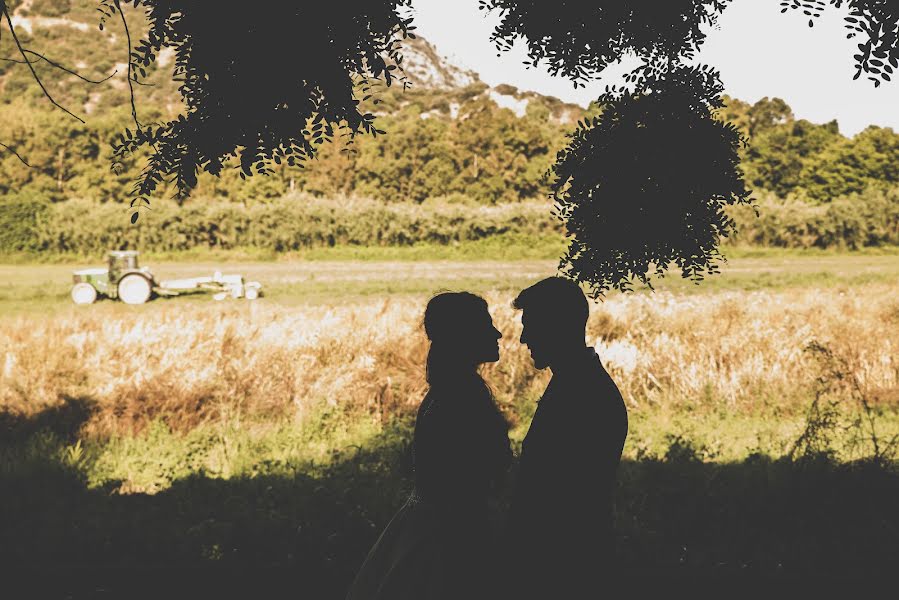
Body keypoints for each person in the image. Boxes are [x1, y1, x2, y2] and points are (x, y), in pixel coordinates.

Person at [346, 292, 512, 600]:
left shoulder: (448, 391)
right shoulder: (462, 397)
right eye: (487, 326)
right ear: (465, 337)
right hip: (453, 536)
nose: (497, 333)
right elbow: (467, 477)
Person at [506, 277, 628, 599]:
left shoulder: (585, 392)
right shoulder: (576, 382)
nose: (523, 338)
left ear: (557, 326)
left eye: (530, 326)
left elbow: (563, 494)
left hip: (566, 566)